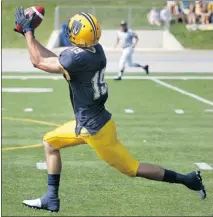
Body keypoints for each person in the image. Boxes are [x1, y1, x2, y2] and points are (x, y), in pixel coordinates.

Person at [14, 7, 206, 213]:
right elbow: (53, 60)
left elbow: (38, 62)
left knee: (132, 168)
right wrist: (30, 36)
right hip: (93, 122)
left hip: (93, 129)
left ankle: (188, 180)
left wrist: (28, 33)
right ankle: (51, 198)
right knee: (50, 142)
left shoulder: (75, 58)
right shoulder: (95, 51)